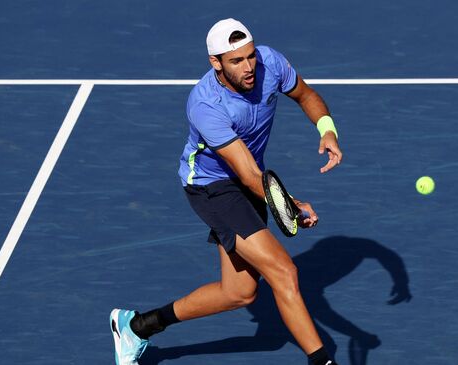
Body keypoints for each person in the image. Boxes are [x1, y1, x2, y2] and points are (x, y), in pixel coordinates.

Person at [110, 18, 343, 365]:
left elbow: (306, 95)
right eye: (236, 61)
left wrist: (327, 130)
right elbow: (248, 174)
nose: (249, 67)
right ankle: (322, 360)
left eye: (250, 56)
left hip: (250, 179)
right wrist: (289, 205)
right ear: (215, 63)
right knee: (284, 272)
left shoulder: (270, 63)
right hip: (213, 187)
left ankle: (138, 326)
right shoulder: (206, 104)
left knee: (240, 293)